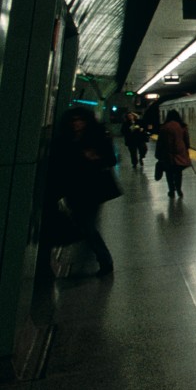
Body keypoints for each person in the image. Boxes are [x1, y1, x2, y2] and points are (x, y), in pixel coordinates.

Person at [48, 106, 119, 275]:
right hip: (73, 191)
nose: (77, 124)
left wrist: (96, 158)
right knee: (84, 225)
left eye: (80, 120)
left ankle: (105, 260)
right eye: (73, 121)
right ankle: (100, 256)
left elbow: (111, 159)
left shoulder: (97, 138)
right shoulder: (63, 141)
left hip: (93, 191)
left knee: (87, 225)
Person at [155, 109, 192, 198]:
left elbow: (160, 142)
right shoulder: (182, 126)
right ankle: (179, 189)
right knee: (178, 173)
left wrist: (158, 154)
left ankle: (171, 190)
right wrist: (186, 149)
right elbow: (186, 141)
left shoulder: (164, 127)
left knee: (169, 173)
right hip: (180, 152)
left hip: (167, 153)